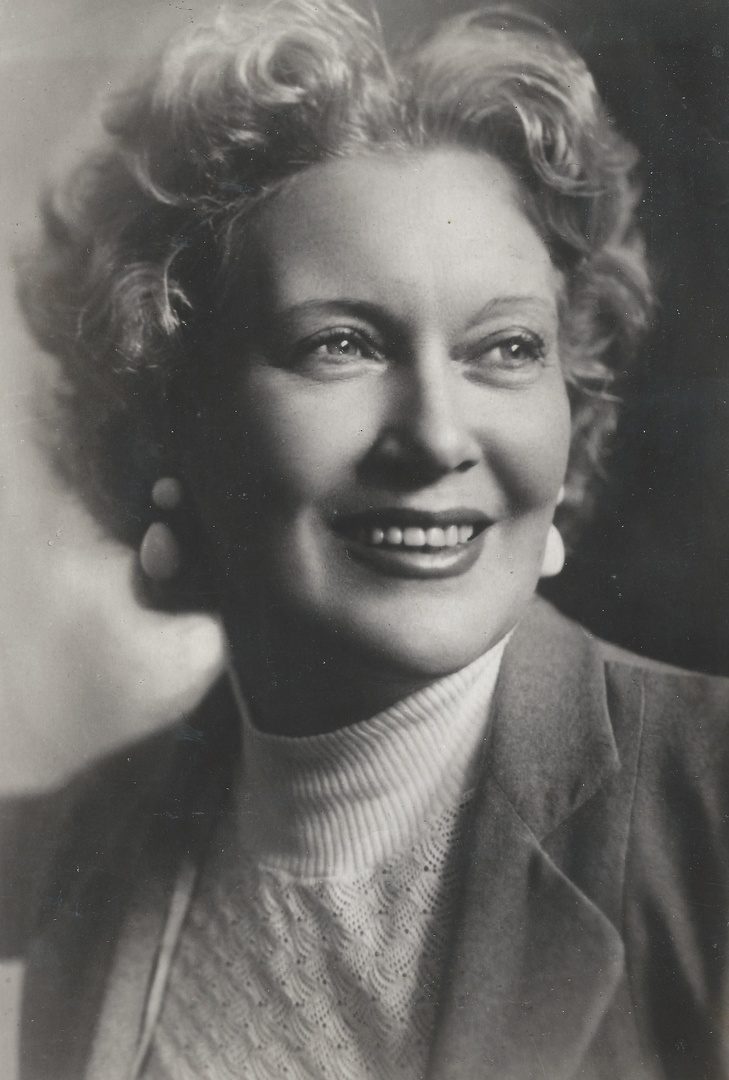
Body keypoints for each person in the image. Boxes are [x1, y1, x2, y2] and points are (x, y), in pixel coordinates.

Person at [4, 1, 729, 1078]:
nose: (436, 435)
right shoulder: (65, 861)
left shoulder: (710, 806)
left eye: (506, 348)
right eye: (340, 344)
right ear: (172, 411)